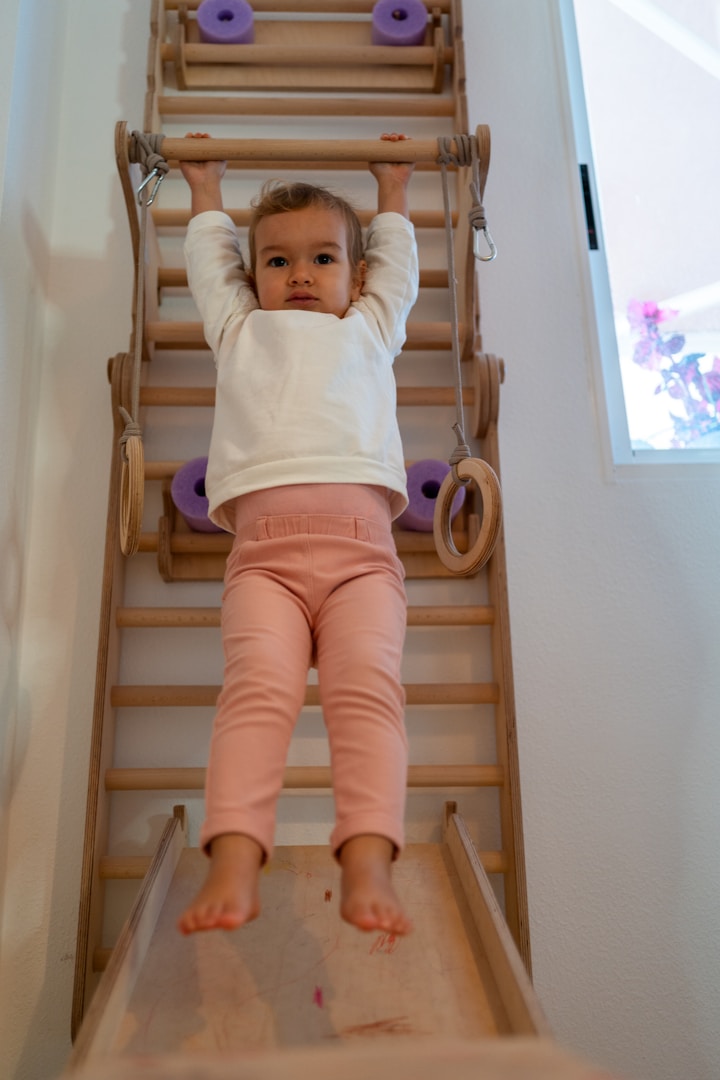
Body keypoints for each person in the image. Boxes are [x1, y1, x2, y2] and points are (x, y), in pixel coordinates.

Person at [176, 132, 418, 937]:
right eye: (278, 262)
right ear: (254, 279)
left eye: (323, 259)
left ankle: (368, 860)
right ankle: (235, 859)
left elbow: (398, 270)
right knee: (256, 693)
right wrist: (205, 190)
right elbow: (211, 270)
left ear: (356, 277)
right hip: (264, 566)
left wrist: (394, 193)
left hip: (362, 564)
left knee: (366, 693)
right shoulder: (241, 330)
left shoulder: (370, 327)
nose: (302, 274)